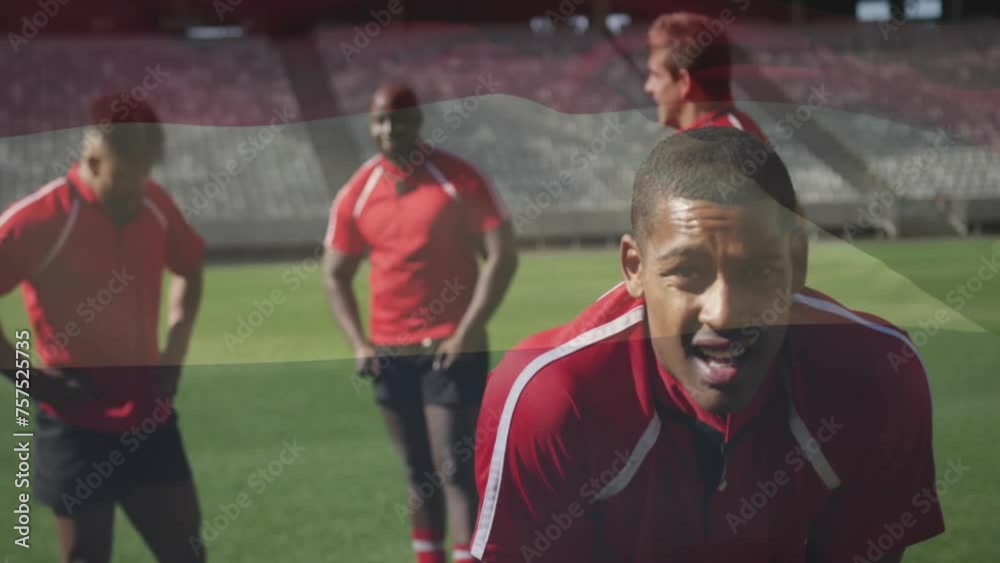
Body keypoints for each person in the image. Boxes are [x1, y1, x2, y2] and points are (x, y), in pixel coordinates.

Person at [471, 127, 944, 562]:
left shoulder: (878, 377)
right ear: (635, 268)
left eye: (757, 270)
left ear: (796, 263)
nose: (724, 313)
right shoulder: (549, 400)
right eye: (687, 272)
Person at [0, 96, 206, 562]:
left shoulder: (154, 203)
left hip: (147, 407)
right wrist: (27, 378)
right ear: (92, 160)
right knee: (86, 557)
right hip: (75, 416)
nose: (140, 186)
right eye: (128, 172)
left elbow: (190, 267)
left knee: (186, 552)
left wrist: (174, 352)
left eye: (148, 170)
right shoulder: (42, 218)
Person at [323, 82, 518, 563]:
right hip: (391, 354)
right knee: (417, 472)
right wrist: (359, 343)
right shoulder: (359, 190)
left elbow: (502, 255)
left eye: (399, 119)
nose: (390, 129)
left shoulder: (456, 179)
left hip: (449, 348)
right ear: (371, 126)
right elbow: (335, 274)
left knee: (453, 467)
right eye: (380, 121)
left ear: (418, 121)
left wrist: (468, 330)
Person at [643, 10, 813, 290]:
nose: (648, 88)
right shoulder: (693, 142)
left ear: (684, 83)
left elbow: (793, 231)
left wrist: (775, 313)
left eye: (654, 75)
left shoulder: (732, 141)